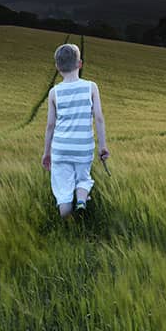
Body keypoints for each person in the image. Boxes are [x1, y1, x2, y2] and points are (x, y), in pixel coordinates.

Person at [42, 43, 110, 218]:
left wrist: (46, 153)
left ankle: (67, 218)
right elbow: (99, 118)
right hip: (83, 147)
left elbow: (50, 125)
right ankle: (81, 200)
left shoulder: (54, 92)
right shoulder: (91, 87)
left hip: (61, 147)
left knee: (63, 188)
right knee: (83, 178)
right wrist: (103, 146)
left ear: (57, 68)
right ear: (80, 64)